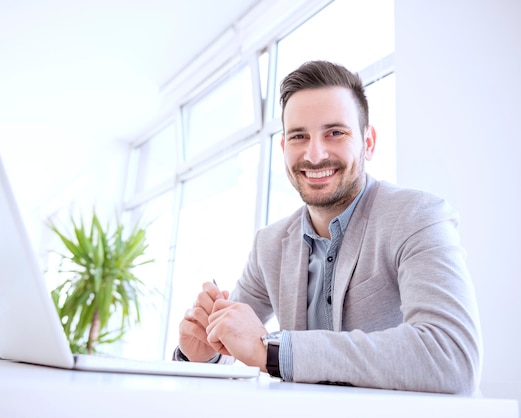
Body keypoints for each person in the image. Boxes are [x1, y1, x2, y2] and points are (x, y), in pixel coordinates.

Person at [174, 60, 482, 395]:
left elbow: (451, 356)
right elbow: (237, 340)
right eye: (299, 136)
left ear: (368, 142)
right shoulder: (270, 245)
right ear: (284, 149)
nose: (315, 154)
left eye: (335, 132)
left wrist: (272, 352)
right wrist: (204, 353)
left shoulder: (418, 216)